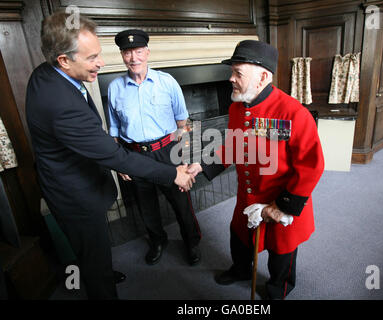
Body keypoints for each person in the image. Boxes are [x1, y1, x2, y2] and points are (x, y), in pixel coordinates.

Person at [25, 12, 194, 300]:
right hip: (77, 194)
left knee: (96, 252)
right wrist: (169, 172)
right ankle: (100, 279)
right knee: (93, 257)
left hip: (158, 153)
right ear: (64, 60)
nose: (101, 63)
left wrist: (179, 158)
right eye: (92, 58)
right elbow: (113, 147)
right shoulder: (63, 102)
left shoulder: (48, 74)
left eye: (99, 55)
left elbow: (183, 124)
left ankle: (102, 269)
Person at [187, 40, 325, 299]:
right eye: (232, 72)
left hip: (280, 197)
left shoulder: (294, 113)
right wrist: (203, 164)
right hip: (248, 194)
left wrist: (282, 205)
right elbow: (234, 145)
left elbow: (311, 165)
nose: (231, 79)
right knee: (238, 235)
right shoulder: (237, 108)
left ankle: (278, 288)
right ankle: (240, 270)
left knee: (281, 250)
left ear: (262, 76)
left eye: (238, 73)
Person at [107, 29, 202, 266]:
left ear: (147, 52)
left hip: (168, 151)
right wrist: (120, 163)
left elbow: (183, 124)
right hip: (135, 155)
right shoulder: (114, 88)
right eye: (127, 53)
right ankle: (158, 241)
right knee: (146, 206)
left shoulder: (167, 82)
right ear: (121, 55)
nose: (133, 58)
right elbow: (114, 132)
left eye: (138, 51)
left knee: (181, 203)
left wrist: (184, 158)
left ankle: (191, 241)